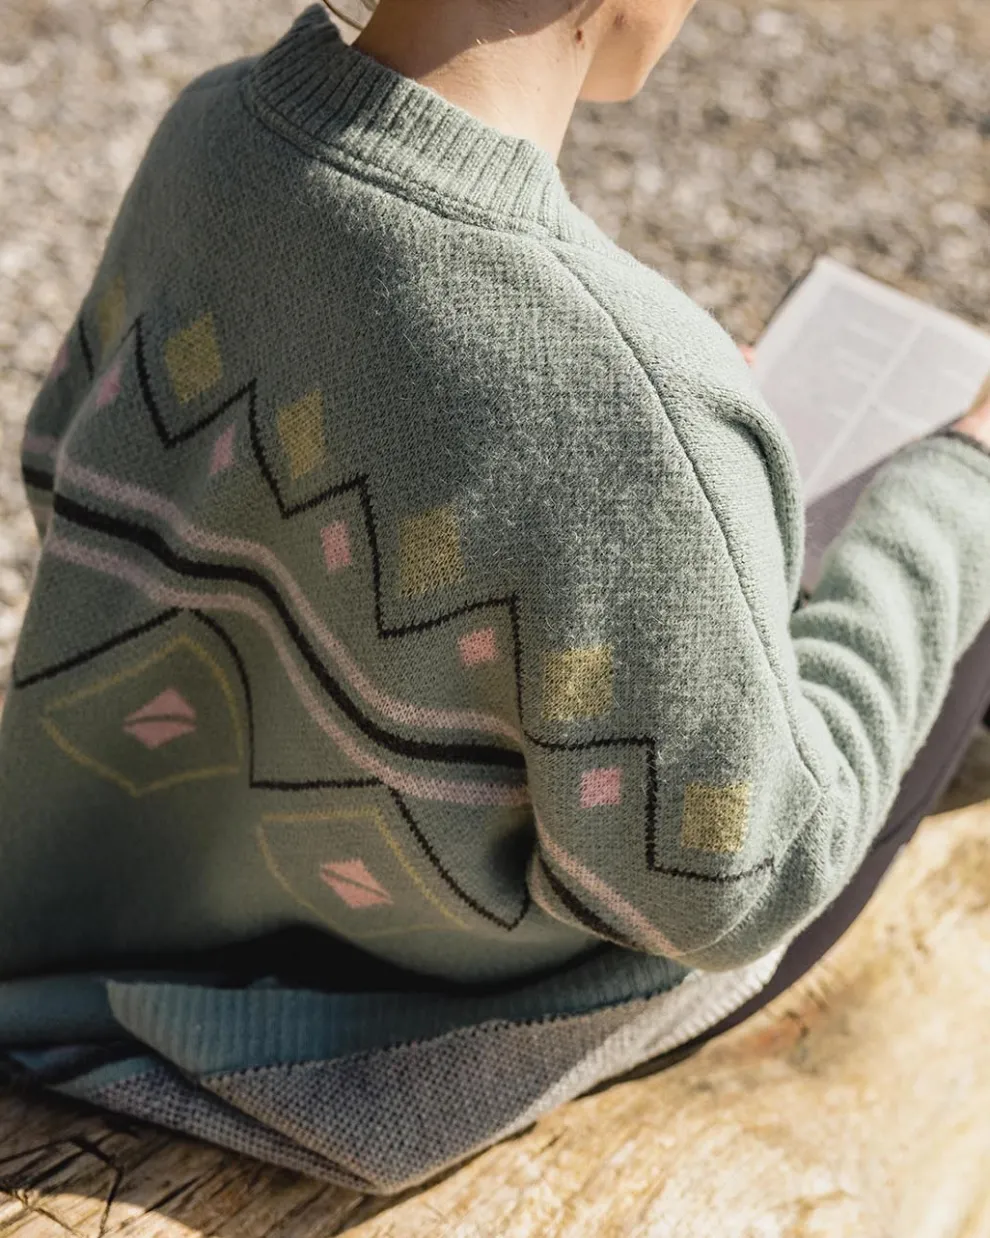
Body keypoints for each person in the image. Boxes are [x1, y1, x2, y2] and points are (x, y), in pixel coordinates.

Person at [2, 0, 990, 1195]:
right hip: (378, 1030)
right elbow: (738, 877)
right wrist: (952, 482)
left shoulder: (210, 134)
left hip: (89, 908)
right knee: (956, 556)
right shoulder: (630, 386)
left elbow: (66, 466)